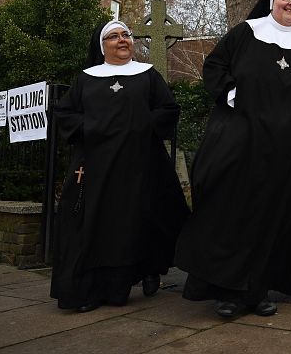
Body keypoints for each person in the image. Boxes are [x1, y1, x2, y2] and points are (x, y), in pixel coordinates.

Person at [175, 0, 291, 318]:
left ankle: (258, 291)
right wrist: (232, 94)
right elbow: (215, 67)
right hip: (244, 140)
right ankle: (227, 291)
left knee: (278, 218)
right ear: (272, 0)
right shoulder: (245, 33)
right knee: (234, 211)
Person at [50, 20, 190, 312]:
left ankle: (149, 270)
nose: (122, 40)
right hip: (97, 167)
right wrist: (95, 128)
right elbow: (64, 113)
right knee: (99, 226)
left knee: (145, 220)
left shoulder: (147, 76)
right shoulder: (87, 79)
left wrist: (139, 127)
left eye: (125, 34)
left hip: (142, 164)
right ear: (102, 46)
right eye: (113, 36)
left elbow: (167, 109)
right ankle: (96, 287)